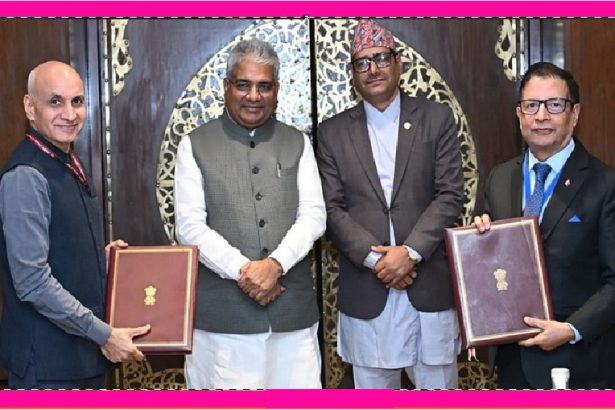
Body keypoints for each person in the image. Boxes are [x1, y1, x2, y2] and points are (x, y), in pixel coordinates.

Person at [316, 20, 464, 389]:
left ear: (399, 63)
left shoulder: (435, 118)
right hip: (368, 289)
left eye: (381, 58)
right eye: (362, 62)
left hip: (427, 286)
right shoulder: (333, 133)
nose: (373, 69)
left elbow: (450, 195)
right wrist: (379, 261)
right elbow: (331, 209)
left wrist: (410, 253)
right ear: (352, 73)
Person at [174, 38, 326, 389]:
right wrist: (246, 272)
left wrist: (275, 266)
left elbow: (314, 216)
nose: (253, 96)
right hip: (223, 323)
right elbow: (190, 227)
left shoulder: (298, 142)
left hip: (292, 320)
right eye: (243, 85)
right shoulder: (194, 144)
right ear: (226, 86)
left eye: (264, 86)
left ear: (277, 90)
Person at [0, 61, 150, 389]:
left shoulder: (66, 159)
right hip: (47, 370)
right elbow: (32, 282)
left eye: (77, 101)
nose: (69, 114)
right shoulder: (26, 176)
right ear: (30, 107)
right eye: (55, 101)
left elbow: (59, 246)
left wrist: (99, 260)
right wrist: (103, 334)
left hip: (81, 359)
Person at [474, 62, 615, 389]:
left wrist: (571, 330)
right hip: (511, 360)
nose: (541, 116)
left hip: (579, 362)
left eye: (554, 105)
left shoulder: (605, 184)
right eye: (531, 105)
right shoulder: (500, 178)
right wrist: (479, 245)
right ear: (519, 114)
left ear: (574, 114)